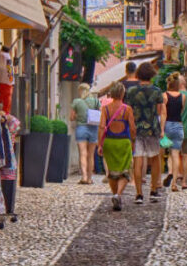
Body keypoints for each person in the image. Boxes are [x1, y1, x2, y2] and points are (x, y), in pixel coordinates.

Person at [125, 61, 165, 205]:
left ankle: (139, 193)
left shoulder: (131, 92)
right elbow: (160, 111)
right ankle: (153, 190)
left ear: (139, 75)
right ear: (151, 75)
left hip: (136, 128)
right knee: (155, 159)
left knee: (138, 159)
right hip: (152, 127)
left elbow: (128, 111)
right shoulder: (157, 91)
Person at [97, 82, 136, 211]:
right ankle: (118, 194)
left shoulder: (106, 109)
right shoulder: (127, 109)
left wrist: (100, 144)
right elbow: (132, 128)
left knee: (112, 172)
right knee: (125, 171)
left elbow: (102, 127)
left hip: (110, 142)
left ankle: (115, 194)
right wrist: (133, 142)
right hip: (123, 142)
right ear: (123, 93)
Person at [70, 82, 102, 185]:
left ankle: (83, 176)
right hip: (93, 128)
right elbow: (101, 114)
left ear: (80, 91)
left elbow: (71, 117)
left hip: (81, 128)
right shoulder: (96, 101)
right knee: (91, 155)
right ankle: (89, 178)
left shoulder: (76, 102)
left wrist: (79, 116)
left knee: (83, 154)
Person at [163, 73, 185, 192]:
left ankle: (170, 171)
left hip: (167, 126)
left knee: (167, 152)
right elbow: (181, 111)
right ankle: (174, 183)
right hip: (178, 126)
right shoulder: (183, 97)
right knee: (176, 154)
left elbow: (163, 113)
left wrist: (162, 129)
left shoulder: (164, 96)